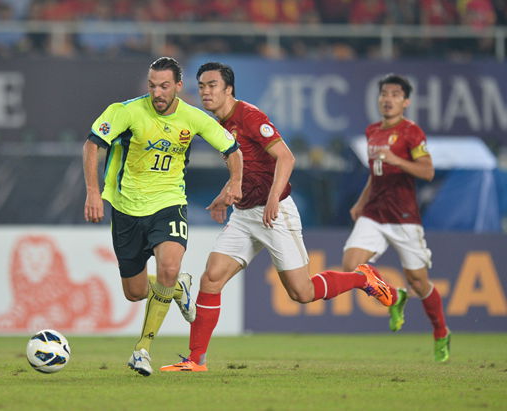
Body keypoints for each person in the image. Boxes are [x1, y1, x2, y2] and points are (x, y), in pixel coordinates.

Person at [160, 62, 393, 373]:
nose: (205, 91)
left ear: (229, 89)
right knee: (211, 278)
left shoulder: (250, 116)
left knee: (302, 292)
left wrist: (272, 198)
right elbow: (247, 168)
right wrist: (225, 193)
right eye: (201, 85)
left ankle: (362, 278)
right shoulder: (217, 123)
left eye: (212, 85)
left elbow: (286, 156)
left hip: (275, 213)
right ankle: (196, 359)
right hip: (244, 215)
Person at [82, 57, 243, 376]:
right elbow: (91, 145)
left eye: (165, 86)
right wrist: (92, 191)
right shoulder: (125, 111)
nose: (157, 92)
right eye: (153, 85)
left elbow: (232, 151)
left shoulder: (193, 118)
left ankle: (143, 349)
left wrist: (234, 182)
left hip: (169, 203)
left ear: (178, 87)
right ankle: (178, 289)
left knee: (169, 267)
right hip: (126, 208)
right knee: (136, 292)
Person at [341, 74, 450, 362]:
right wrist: (360, 202)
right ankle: (393, 296)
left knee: (419, 281)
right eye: (384, 93)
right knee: (352, 266)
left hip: (403, 217)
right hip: (374, 213)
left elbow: (427, 172)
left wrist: (398, 160)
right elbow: (375, 174)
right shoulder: (372, 131)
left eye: (395, 94)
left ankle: (441, 332)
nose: (388, 99)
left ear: (406, 101)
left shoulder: (412, 133)